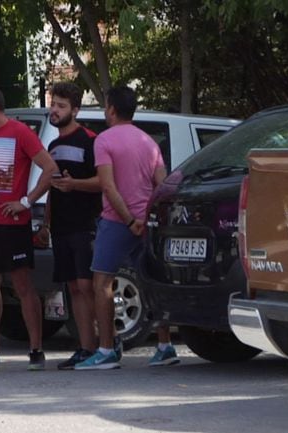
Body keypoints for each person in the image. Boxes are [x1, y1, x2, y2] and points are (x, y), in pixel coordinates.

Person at [75, 85, 179, 370]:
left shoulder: (104, 140)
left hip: (117, 220)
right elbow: (162, 184)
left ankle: (107, 349)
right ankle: (165, 344)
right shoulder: (149, 142)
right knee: (150, 279)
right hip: (147, 221)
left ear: (110, 108)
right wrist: (147, 218)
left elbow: (108, 185)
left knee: (102, 283)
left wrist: (129, 219)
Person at [0, 84, 57, 371]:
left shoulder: (19, 132)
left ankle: (36, 349)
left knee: (22, 285)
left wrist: (26, 201)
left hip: (13, 223)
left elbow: (50, 168)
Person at [37, 82, 102, 370]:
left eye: (61, 105)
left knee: (88, 286)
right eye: (53, 103)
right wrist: (45, 224)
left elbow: (104, 182)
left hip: (86, 224)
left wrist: (74, 184)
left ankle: (103, 345)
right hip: (61, 226)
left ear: (75, 110)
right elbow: (52, 188)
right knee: (73, 288)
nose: (54, 109)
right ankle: (85, 347)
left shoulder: (91, 140)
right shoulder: (52, 145)